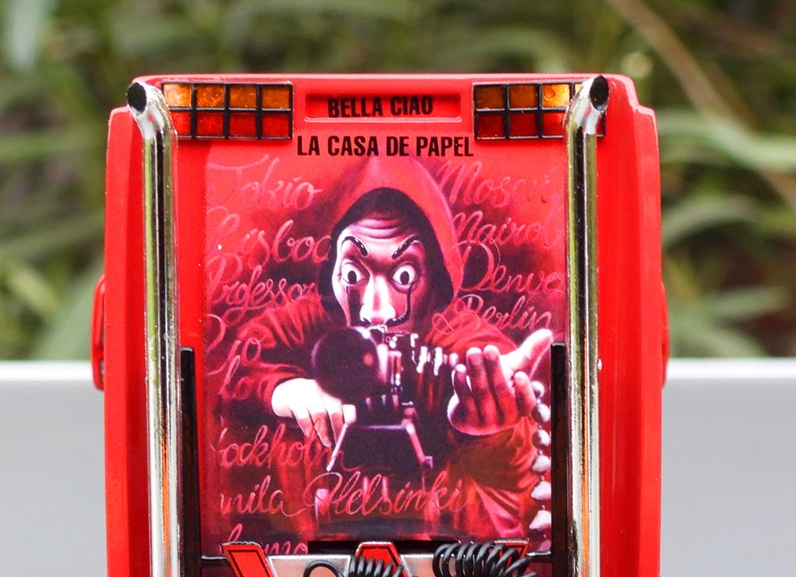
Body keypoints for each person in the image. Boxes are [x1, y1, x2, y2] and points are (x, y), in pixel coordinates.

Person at [216, 158, 553, 542]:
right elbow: (247, 360)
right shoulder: (311, 321)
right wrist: (285, 392)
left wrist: (490, 429)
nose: (377, 310)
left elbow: (495, 381)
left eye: (404, 275)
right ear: (332, 271)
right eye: (354, 273)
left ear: (436, 280)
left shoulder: (455, 335)